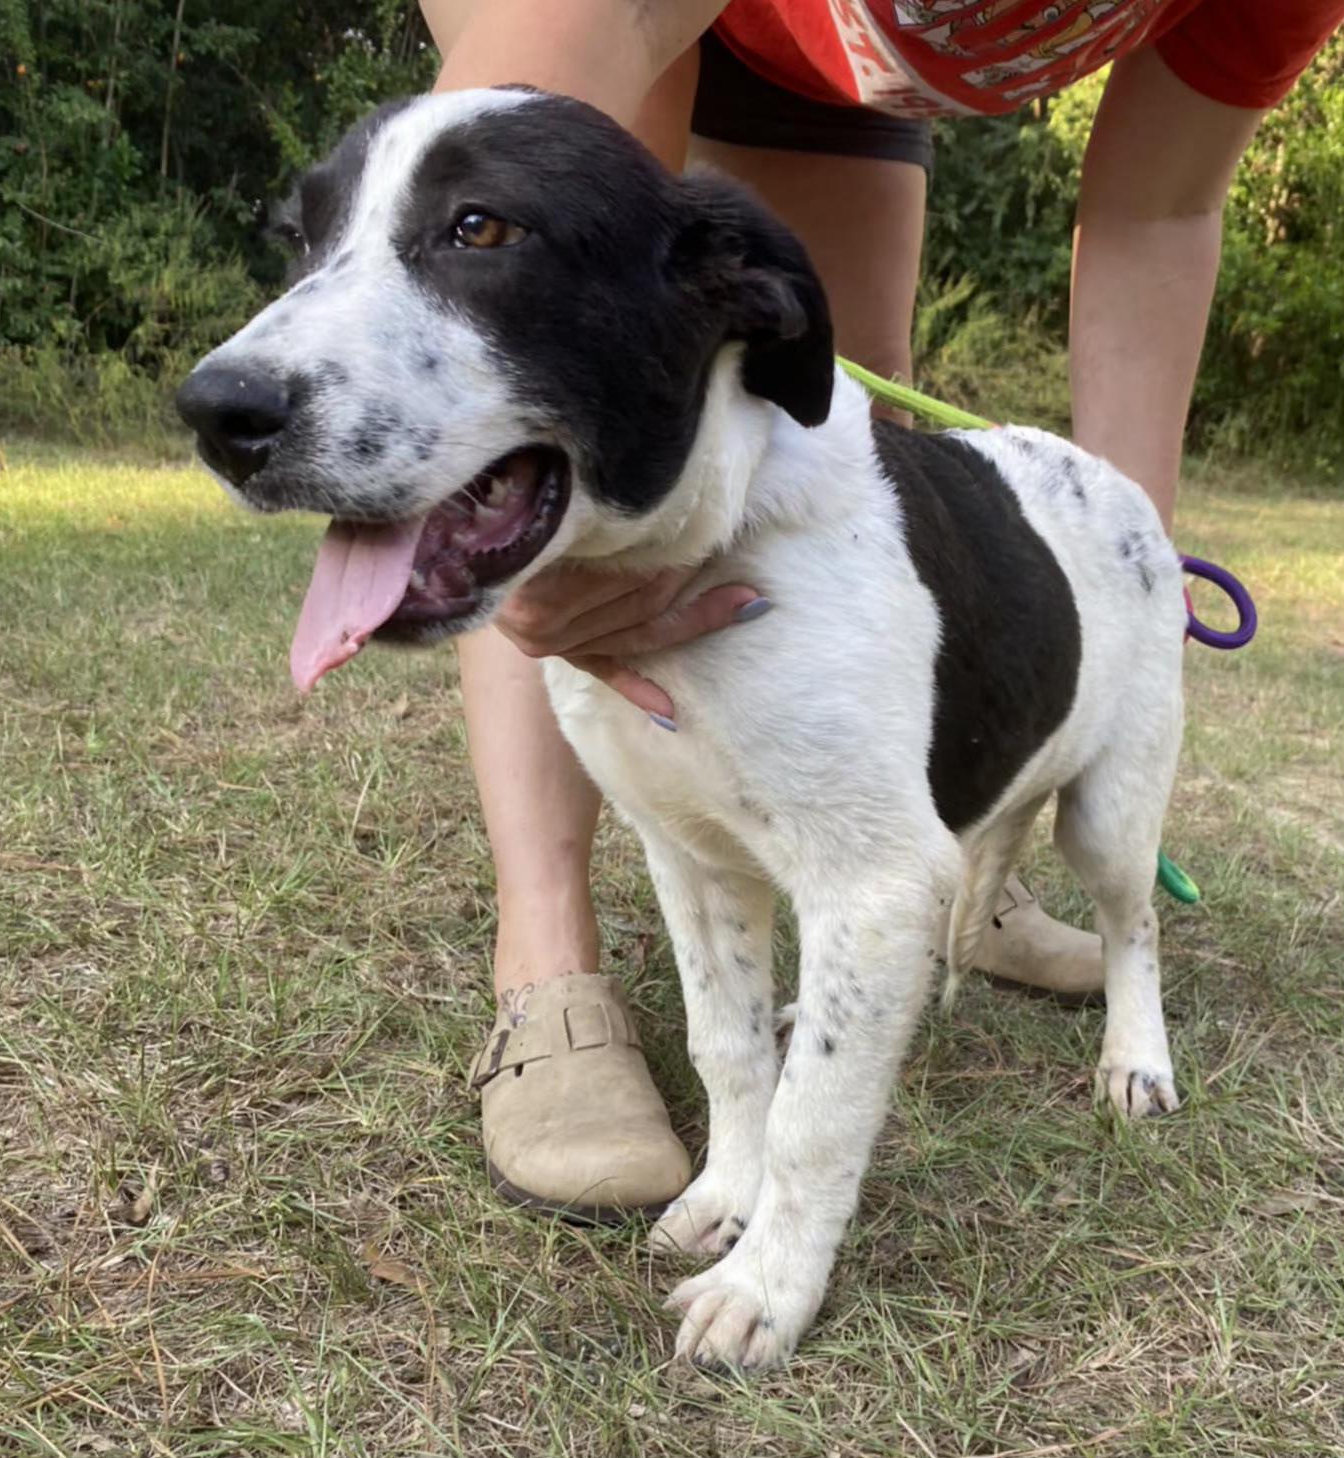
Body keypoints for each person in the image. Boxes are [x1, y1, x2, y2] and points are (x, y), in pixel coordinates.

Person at [421, 0, 1344, 1219]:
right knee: (557, 430)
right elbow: (478, 188)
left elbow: (1157, 212)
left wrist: (1132, 570)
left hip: (853, 86)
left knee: (856, 479)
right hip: (652, 23)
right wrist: (513, 551)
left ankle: (944, 858)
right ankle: (549, 969)